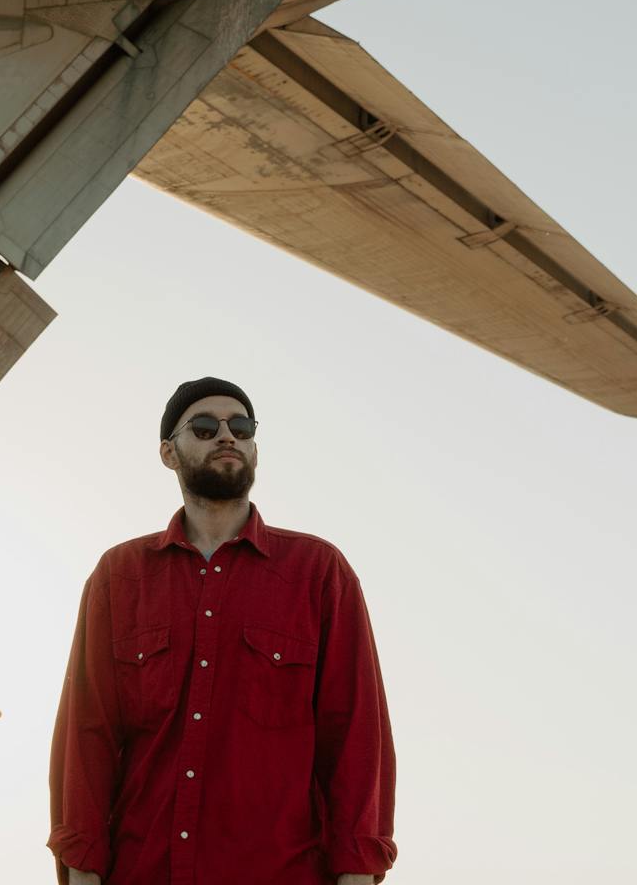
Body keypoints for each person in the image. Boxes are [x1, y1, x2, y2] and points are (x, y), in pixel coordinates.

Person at [49, 377, 397, 885]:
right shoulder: (119, 576)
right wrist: (81, 872)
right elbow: (87, 733)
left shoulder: (318, 571)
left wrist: (358, 873)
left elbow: (357, 734)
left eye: (242, 427)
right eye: (206, 427)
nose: (227, 437)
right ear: (169, 453)